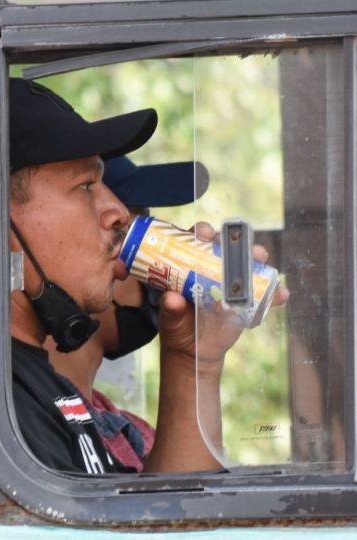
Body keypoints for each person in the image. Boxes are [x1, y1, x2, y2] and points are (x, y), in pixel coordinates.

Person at [7, 77, 287, 474]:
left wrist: (194, 361)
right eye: (85, 185)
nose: (118, 211)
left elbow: (169, 521)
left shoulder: (40, 388)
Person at [45, 155, 210, 473]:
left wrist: (195, 356)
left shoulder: (128, 429)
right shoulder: (31, 426)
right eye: (136, 246)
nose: (159, 274)